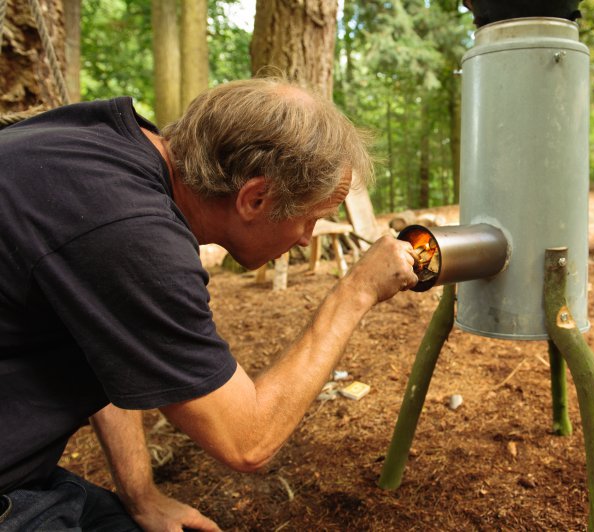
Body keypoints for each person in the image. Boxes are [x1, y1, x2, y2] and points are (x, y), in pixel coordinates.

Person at [0, 78, 419, 530]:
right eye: (311, 219)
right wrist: (356, 292)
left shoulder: (98, 143)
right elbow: (248, 441)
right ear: (255, 198)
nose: (305, 239)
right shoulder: (134, 235)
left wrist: (142, 497)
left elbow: (103, 337)